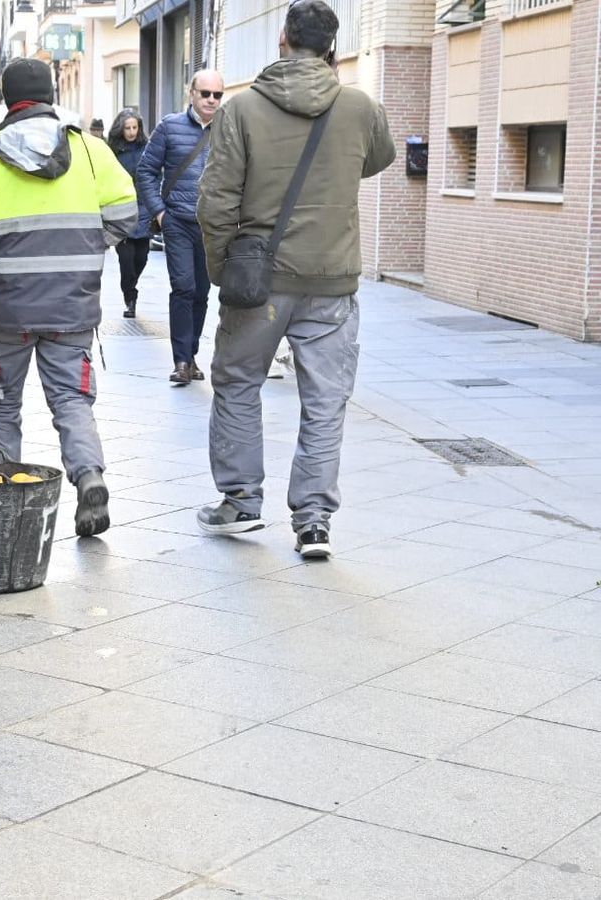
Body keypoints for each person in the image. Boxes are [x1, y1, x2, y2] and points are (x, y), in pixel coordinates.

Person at [194, 0, 394, 559]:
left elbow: (215, 202)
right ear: (332, 48)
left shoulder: (240, 110)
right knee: (326, 401)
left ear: (281, 38)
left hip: (259, 281)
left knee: (236, 383)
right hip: (333, 279)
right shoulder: (360, 107)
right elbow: (377, 158)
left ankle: (240, 500)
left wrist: (222, 271)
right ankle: (313, 522)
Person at [0, 58, 138, 538]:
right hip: (73, 306)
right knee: (71, 399)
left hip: (8, 310)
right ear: (51, 94)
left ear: (8, 99)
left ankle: (0, 501)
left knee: (1, 403)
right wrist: (85, 246)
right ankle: (89, 476)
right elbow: (126, 215)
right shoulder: (91, 151)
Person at [137, 70, 225, 386]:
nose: (212, 100)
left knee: (202, 292)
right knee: (184, 287)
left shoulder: (228, 129)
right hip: (177, 222)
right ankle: (181, 360)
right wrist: (159, 213)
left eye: (218, 95)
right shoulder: (169, 127)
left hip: (212, 226)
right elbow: (146, 170)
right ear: (192, 93)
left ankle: (192, 354)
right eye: (206, 94)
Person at [108, 109, 150, 319]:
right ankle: (130, 298)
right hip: (121, 210)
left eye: (135, 127)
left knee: (141, 258)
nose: (132, 132)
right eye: (128, 128)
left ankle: (131, 286)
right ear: (121, 129)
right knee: (126, 260)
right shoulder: (113, 151)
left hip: (143, 208)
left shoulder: (147, 148)